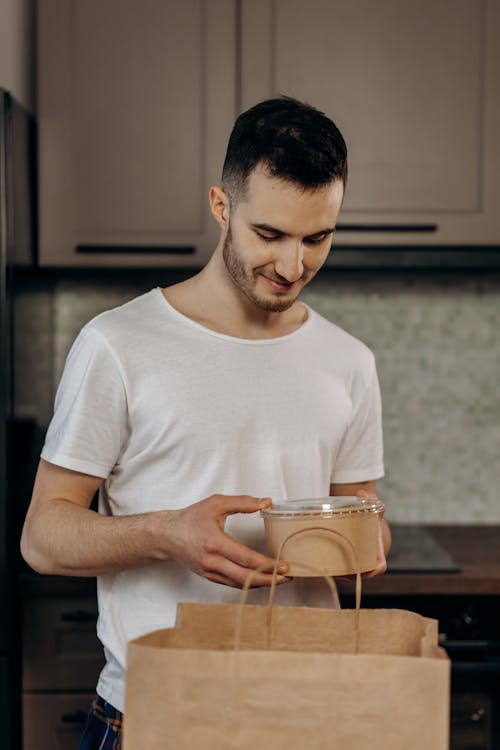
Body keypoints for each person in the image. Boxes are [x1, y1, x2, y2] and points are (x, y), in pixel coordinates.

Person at [21, 96, 391, 748]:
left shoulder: (350, 362)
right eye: (270, 235)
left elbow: (360, 512)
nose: (292, 266)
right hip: (159, 713)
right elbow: (43, 537)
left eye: (318, 238)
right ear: (221, 207)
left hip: (307, 712)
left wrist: (369, 536)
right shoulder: (119, 345)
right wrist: (169, 533)